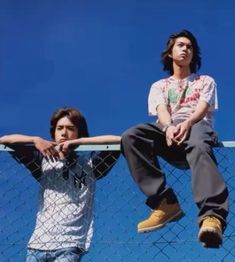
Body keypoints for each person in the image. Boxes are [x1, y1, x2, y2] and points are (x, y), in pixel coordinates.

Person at [121, 30, 228, 248]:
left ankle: (212, 218)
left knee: (198, 141)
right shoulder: (159, 86)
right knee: (131, 135)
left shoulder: (204, 80)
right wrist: (169, 127)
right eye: (181, 45)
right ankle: (164, 203)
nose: (186, 49)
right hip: (169, 135)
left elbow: (202, 108)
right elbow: (161, 109)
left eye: (190, 46)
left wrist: (187, 123)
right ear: (170, 52)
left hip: (197, 128)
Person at [0, 107, 120, 261]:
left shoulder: (90, 165)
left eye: (71, 128)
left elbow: (119, 140)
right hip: (37, 244)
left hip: (70, 246)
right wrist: (35, 139)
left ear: (79, 133)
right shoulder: (42, 161)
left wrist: (81, 142)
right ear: (54, 133)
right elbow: (4, 140)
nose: (64, 133)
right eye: (59, 128)